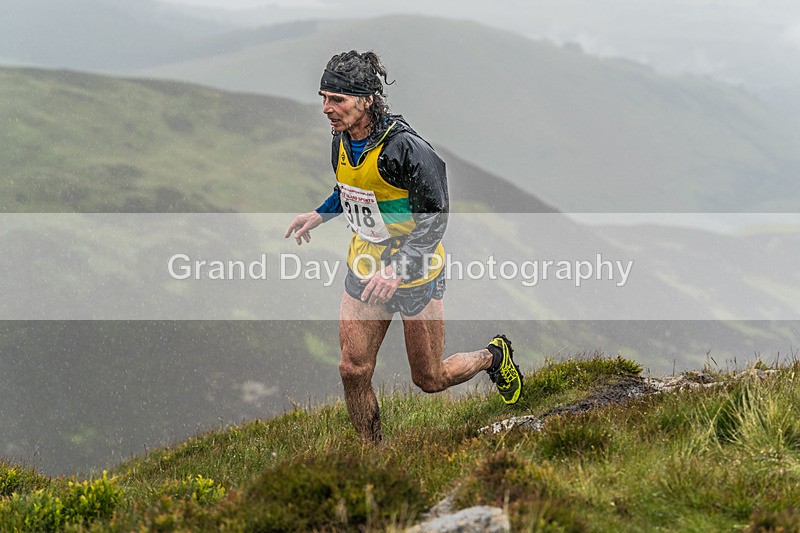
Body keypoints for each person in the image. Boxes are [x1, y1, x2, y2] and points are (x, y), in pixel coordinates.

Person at [285, 50, 522, 443]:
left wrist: (398, 269)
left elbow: (436, 219)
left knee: (429, 378)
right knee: (352, 369)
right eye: (323, 97)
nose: (327, 108)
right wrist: (321, 213)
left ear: (367, 101)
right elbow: (353, 189)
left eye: (337, 100)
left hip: (415, 270)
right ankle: (373, 456)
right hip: (365, 264)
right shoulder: (341, 139)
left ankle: (493, 357)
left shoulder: (407, 150)